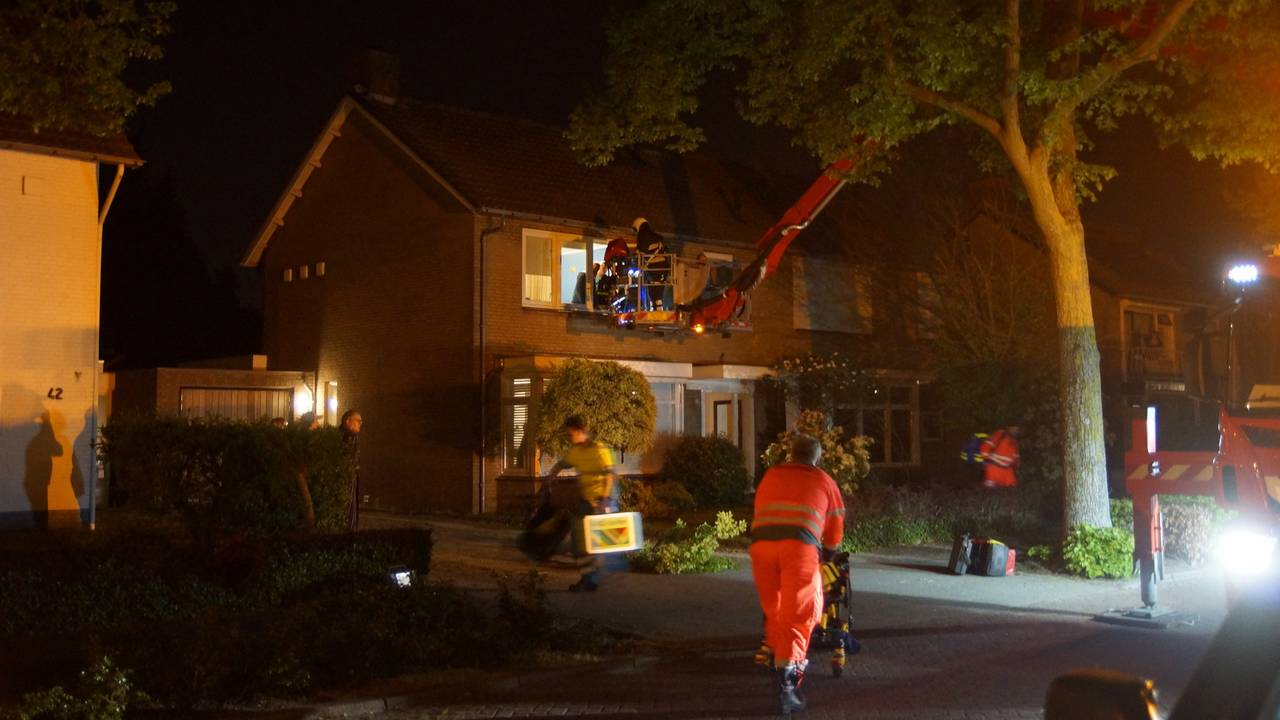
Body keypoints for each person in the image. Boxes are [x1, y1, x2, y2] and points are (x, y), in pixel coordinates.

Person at [750, 434, 845, 715]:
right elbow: (835, 527)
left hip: (762, 549)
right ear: (816, 458)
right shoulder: (824, 480)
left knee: (776, 611)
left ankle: (776, 660)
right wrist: (828, 553)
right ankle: (788, 689)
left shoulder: (771, 475)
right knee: (800, 614)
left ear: (791, 454)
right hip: (799, 549)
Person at [542, 415, 617, 592]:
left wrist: (604, 499)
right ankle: (590, 577)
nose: (570, 437)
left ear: (580, 431)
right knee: (580, 541)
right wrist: (550, 479)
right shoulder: (577, 452)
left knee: (591, 542)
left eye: (571, 434)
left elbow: (609, 476)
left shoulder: (600, 450)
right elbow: (561, 464)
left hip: (601, 501)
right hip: (586, 501)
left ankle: (592, 577)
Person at [632, 217, 672, 310]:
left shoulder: (642, 236)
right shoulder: (657, 236)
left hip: (652, 267)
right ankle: (658, 310)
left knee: (652, 288)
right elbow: (665, 250)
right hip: (662, 267)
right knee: (658, 288)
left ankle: (654, 310)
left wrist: (635, 260)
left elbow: (640, 252)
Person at [341, 409, 363, 530]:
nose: (360, 424)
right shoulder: (348, 437)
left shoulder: (352, 437)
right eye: (358, 421)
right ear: (348, 421)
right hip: (347, 479)